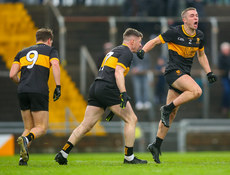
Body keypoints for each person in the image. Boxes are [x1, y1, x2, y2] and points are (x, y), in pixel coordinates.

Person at [54, 28, 147, 165]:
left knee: (86, 124)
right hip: (108, 87)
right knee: (131, 119)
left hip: (97, 87)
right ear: (132, 41)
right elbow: (118, 72)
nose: (141, 45)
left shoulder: (115, 50)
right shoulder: (126, 52)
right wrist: (123, 93)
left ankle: (63, 153)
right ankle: (129, 157)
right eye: (139, 42)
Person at [137, 7, 217, 163]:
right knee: (196, 91)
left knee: (171, 115)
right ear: (185, 20)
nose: (196, 18)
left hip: (184, 75)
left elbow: (202, 55)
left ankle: (156, 144)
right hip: (173, 72)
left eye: (197, 15)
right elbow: (154, 41)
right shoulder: (174, 32)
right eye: (192, 16)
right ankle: (165, 109)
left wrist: (209, 72)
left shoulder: (200, 36)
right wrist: (143, 51)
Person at [9, 28, 61, 166]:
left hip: (23, 90)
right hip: (39, 90)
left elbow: (12, 74)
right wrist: (58, 86)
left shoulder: (22, 52)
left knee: (28, 127)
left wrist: (23, 83)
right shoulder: (51, 50)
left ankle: (22, 158)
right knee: (41, 127)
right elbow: (55, 64)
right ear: (49, 40)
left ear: (37, 38)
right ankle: (26, 140)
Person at [218, 42, 230, 116]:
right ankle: (225, 107)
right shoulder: (221, 57)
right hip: (225, 77)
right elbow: (221, 67)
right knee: (227, 91)